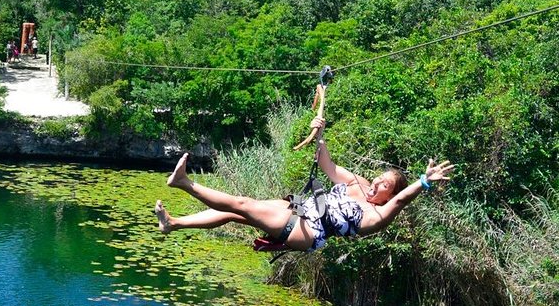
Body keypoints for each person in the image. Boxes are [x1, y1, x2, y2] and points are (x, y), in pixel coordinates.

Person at [154, 117, 454, 252]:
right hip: (302, 207)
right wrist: (320, 133)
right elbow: (328, 166)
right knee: (238, 211)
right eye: (380, 177)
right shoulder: (358, 184)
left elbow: (401, 201)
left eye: (385, 184)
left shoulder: (378, 217)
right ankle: (174, 223)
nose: (376, 183)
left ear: (391, 193)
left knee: (243, 204)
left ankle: (184, 183)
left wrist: (423, 182)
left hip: (308, 230)